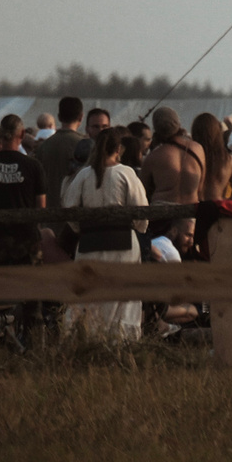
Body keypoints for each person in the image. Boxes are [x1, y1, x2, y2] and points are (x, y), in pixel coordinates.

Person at [62, 126, 149, 341]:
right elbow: (141, 211)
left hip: (90, 243)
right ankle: (122, 344)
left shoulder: (83, 175)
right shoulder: (126, 173)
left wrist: (80, 230)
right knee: (124, 298)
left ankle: (85, 340)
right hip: (123, 244)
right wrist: (139, 229)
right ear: (118, 149)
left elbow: (69, 208)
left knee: (88, 297)